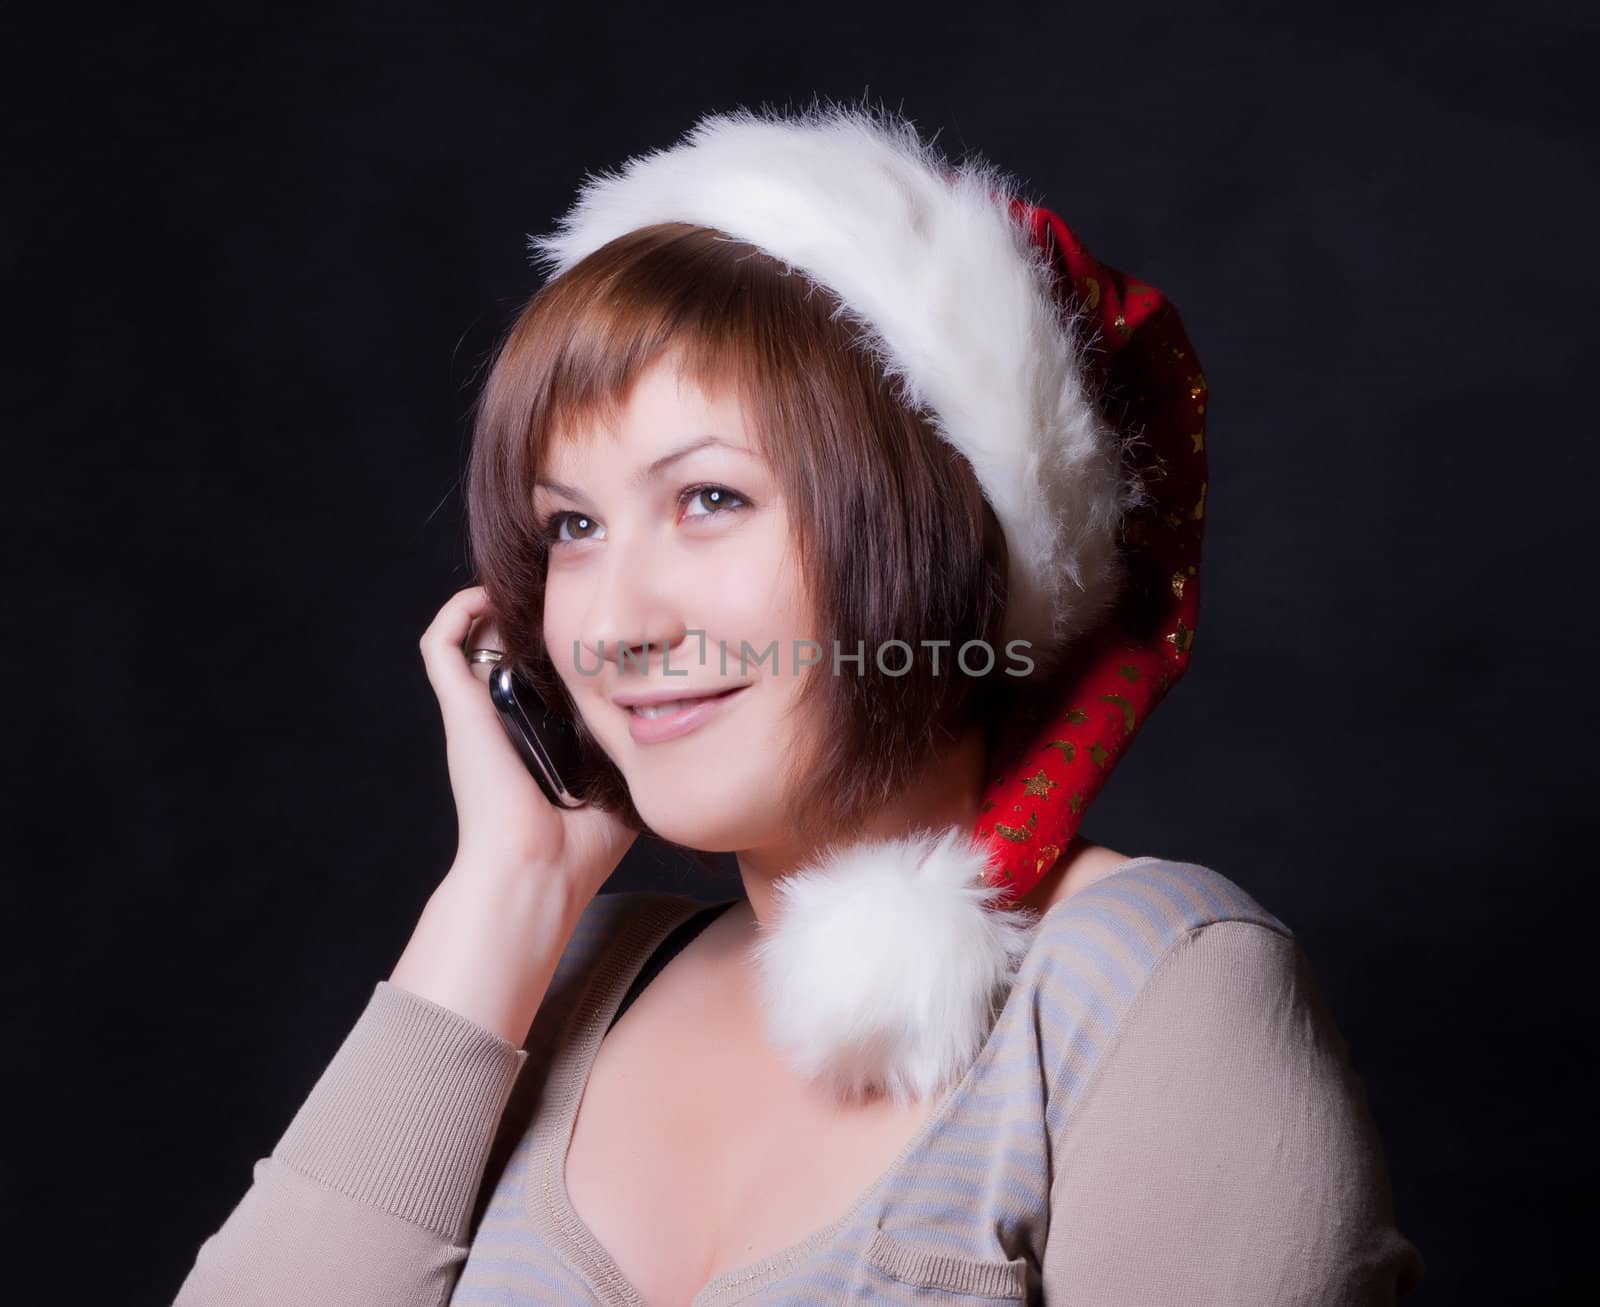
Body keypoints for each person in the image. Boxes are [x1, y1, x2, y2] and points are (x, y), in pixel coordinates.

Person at [171, 100, 1425, 1305]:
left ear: (946, 527)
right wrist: (509, 889)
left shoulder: (1153, 987)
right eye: (571, 525)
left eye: (709, 497)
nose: (612, 623)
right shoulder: (572, 973)